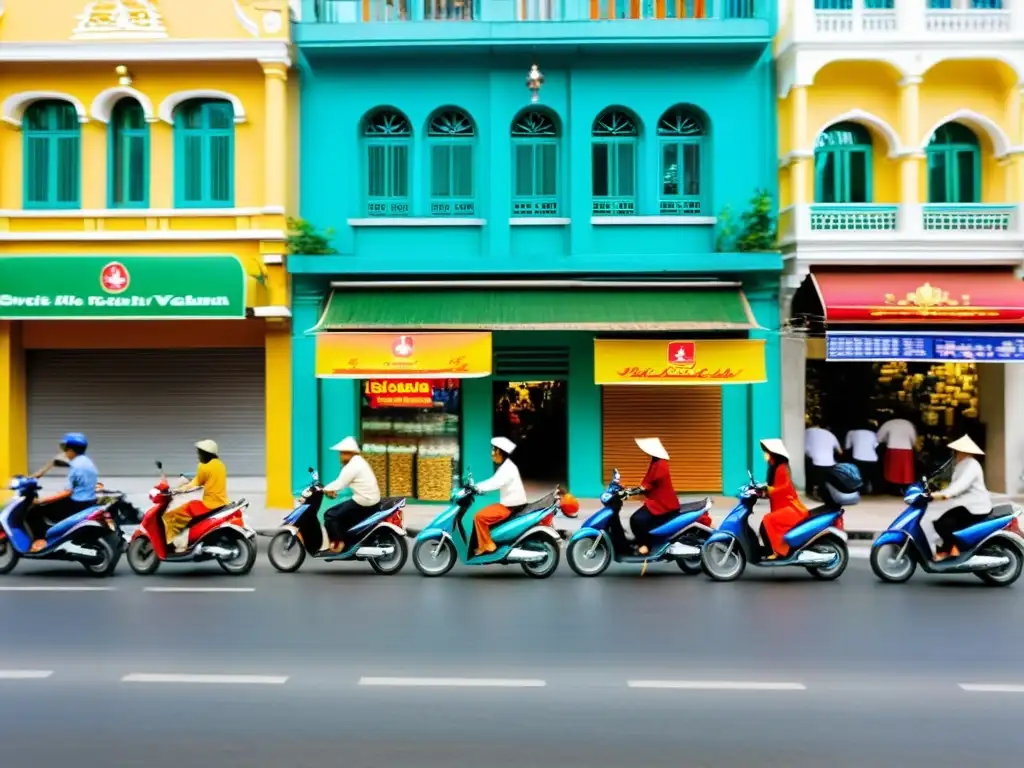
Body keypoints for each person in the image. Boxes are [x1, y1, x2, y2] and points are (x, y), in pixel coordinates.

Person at [27, 432, 99, 553]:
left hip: (77, 504)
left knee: (35, 510)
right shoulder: (86, 461)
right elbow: (59, 462)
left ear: (71, 450)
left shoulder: (76, 466)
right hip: (89, 501)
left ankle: (41, 540)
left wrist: (41, 500)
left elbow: (67, 492)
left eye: (66, 449)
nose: (65, 453)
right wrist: (48, 467)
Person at [923, 435, 991, 562]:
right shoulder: (962, 464)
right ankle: (951, 548)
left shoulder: (971, 465)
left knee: (943, 524)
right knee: (940, 521)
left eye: (958, 451)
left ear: (965, 452)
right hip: (966, 506)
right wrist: (935, 490)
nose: (955, 453)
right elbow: (952, 484)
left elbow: (958, 487)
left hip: (975, 508)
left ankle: (951, 550)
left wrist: (939, 495)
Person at [163, 439, 230, 552]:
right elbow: (206, 479)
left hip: (209, 505)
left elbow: (195, 482)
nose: (198, 455)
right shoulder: (220, 465)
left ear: (206, 454)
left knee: (171, 516)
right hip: (222, 503)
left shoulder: (204, 467)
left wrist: (177, 490)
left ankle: (180, 545)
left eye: (199, 453)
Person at [322, 436, 382, 554]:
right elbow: (342, 482)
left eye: (342, 453)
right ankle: (348, 540)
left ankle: (339, 544)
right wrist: (331, 489)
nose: (340, 456)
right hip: (368, 499)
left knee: (330, 515)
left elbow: (340, 483)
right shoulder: (358, 461)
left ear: (349, 453)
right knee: (341, 514)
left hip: (364, 501)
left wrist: (323, 489)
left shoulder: (353, 465)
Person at [472, 437, 527, 556]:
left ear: (500, 452)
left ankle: (488, 546)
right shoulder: (506, 466)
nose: (492, 453)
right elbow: (493, 481)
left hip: (510, 507)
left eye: (494, 450)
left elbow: (495, 483)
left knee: (480, 517)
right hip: (510, 505)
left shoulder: (508, 468)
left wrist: (476, 488)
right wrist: (476, 486)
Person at [759, 438, 810, 559]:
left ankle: (778, 552)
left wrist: (769, 490)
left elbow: (784, 486)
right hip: (781, 505)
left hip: (791, 507)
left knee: (768, 521)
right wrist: (764, 491)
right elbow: (773, 486)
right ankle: (772, 550)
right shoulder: (774, 467)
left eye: (767, 452)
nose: (765, 455)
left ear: (774, 454)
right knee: (766, 524)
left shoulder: (782, 468)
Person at [877, 413, 918, 493]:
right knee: (905, 471)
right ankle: (905, 487)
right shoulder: (909, 424)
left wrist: (886, 440)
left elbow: (879, 437)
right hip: (907, 449)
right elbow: (913, 439)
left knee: (892, 470)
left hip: (892, 447)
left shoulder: (888, 423)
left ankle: (894, 488)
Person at [804, 422, 841, 500]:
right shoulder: (830, 434)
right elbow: (840, 452)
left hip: (814, 463)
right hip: (830, 463)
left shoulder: (805, 432)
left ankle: (812, 489)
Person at [844, 422, 880, 494]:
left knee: (859, 474)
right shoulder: (872, 433)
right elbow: (876, 445)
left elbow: (847, 447)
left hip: (858, 457)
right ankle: (870, 488)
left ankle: (858, 489)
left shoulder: (851, 432)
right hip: (872, 458)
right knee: (869, 475)